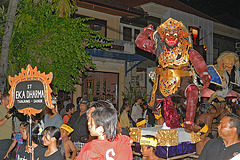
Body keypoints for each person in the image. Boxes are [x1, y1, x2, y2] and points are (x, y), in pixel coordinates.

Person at [0, 93, 12, 160]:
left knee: (7, 157)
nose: (9, 102)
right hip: (2, 139)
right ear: (3, 100)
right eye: (8, 100)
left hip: (8, 138)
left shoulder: (8, 109)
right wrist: (7, 117)